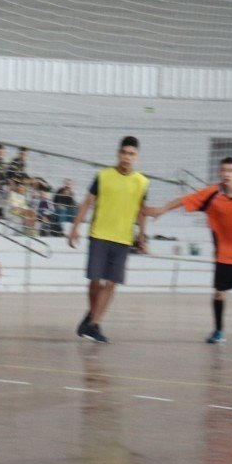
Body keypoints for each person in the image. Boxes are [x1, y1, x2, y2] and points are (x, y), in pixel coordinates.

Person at [143, 156, 232, 343]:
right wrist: (161, 210)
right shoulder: (211, 195)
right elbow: (184, 200)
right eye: (224, 170)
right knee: (219, 293)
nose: (227, 174)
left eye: (231, 170)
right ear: (220, 173)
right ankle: (218, 331)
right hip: (224, 257)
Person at [66, 135, 147, 345]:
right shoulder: (103, 176)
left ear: (137, 157)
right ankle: (93, 320)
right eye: (124, 153)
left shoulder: (142, 182)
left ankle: (93, 323)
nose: (127, 157)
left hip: (123, 239)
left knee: (112, 283)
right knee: (95, 279)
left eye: (132, 154)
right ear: (118, 153)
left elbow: (141, 211)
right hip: (99, 235)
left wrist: (142, 235)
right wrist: (75, 228)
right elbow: (87, 202)